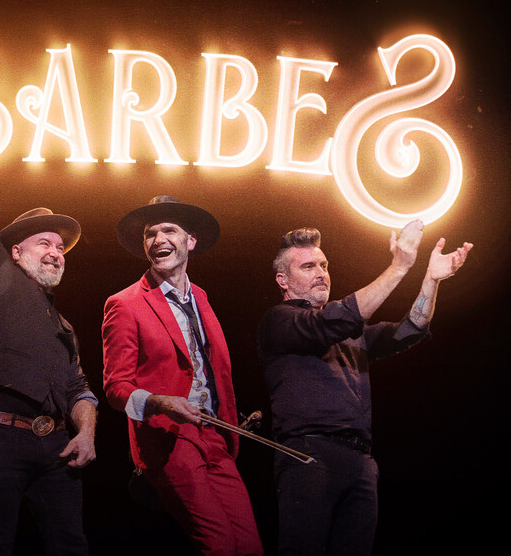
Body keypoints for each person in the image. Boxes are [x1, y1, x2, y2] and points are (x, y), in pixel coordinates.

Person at [0, 78, 98, 556]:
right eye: (43, 243)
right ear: (15, 252)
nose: (55, 251)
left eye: (60, 247)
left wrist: (87, 432)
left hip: (56, 446)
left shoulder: (64, 326)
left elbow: (79, 389)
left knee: (71, 546)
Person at [257, 222, 472, 556]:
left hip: (360, 462)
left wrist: (431, 280)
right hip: (309, 454)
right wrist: (399, 267)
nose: (321, 273)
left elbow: (410, 330)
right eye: (308, 266)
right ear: (283, 280)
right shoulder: (280, 320)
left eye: (324, 265)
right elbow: (338, 319)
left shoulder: (350, 332)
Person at [101, 196, 263, 556]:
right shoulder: (125, 304)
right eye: (150, 233)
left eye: (169, 230)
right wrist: (161, 402)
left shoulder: (201, 297)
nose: (159, 239)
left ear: (190, 241)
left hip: (216, 435)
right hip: (171, 440)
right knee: (220, 545)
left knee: (250, 546)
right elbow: (115, 387)